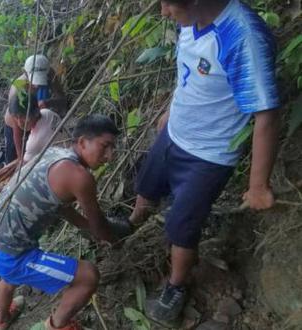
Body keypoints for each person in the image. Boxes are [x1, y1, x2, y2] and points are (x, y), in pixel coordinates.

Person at [127, 0, 281, 326]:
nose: (163, 13)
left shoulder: (243, 39)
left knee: (183, 226)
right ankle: (133, 222)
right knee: (147, 182)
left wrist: (258, 185)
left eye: (168, 5)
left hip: (209, 154)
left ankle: (176, 285)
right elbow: (187, 70)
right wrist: (171, 110)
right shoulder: (191, 18)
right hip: (176, 132)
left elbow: (265, 116)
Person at [0, 115, 130, 330]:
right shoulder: (80, 177)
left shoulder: (56, 153)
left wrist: (88, 227)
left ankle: (1, 322)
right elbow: (100, 226)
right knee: (88, 276)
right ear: (82, 142)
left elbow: (61, 207)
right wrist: (115, 237)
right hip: (11, 255)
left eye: (112, 148)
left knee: (7, 279)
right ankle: (57, 325)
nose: (110, 156)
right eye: (104, 146)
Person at [4, 54, 68, 163]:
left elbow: (63, 100)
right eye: (34, 82)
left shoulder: (49, 75)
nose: (37, 86)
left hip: (35, 119)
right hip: (16, 125)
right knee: (15, 158)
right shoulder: (18, 87)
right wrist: (20, 159)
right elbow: (16, 126)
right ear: (25, 73)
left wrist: (47, 103)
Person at [7, 89, 62, 163]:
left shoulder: (33, 143)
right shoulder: (47, 112)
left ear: (35, 112)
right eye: (16, 118)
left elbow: (25, 167)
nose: (20, 123)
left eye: (23, 117)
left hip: (60, 162)